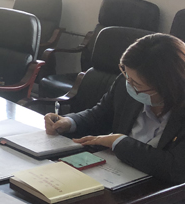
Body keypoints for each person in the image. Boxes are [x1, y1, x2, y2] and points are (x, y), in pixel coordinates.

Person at [44, 34, 185, 183]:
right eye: (126, 75)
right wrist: (69, 122)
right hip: (113, 173)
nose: (129, 84)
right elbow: (99, 115)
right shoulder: (125, 83)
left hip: (159, 186)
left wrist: (119, 142)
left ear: (168, 87)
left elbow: (176, 168)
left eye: (137, 84)